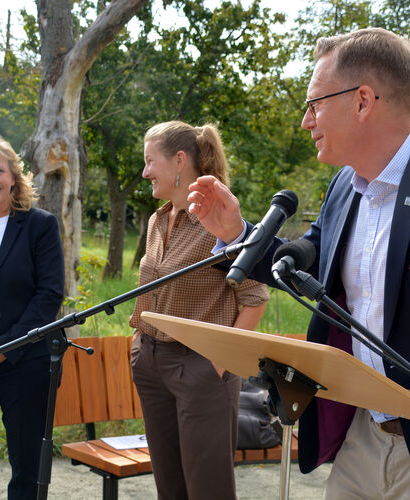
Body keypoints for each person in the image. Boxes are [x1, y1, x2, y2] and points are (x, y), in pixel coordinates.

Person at [187, 28, 410, 499]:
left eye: (314, 103)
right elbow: (302, 265)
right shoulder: (342, 187)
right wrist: (236, 233)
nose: (306, 121)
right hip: (362, 435)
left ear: (362, 101)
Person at [129, 120, 269, 500]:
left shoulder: (219, 220)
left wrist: (215, 364)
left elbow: (256, 299)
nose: (144, 172)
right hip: (151, 360)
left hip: (200, 367)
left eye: (149, 161)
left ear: (178, 161)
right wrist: (139, 344)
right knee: (169, 487)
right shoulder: (158, 220)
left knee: (208, 489)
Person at [0, 133, 65, 499]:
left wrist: (6, 346)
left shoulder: (40, 225)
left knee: (25, 471)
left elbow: (49, 295)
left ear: (13, 176)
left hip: (26, 363)